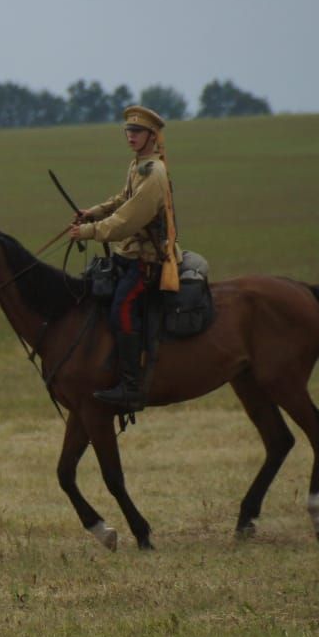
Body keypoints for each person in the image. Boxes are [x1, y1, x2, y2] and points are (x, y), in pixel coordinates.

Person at [67, 105, 179, 412]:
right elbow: (122, 200)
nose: (131, 136)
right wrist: (93, 211)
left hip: (146, 262)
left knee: (122, 310)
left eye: (137, 131)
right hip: (128, 256)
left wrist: (88, 231)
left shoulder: (154, 174)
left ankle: (131, 387)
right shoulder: (138, 166)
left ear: (152, 136)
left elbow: (126, 222)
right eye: (128, 131)